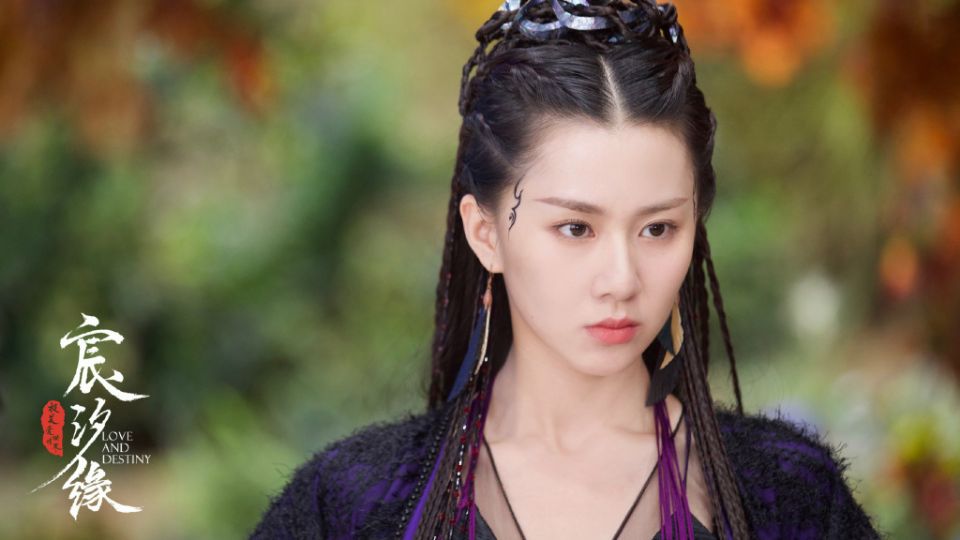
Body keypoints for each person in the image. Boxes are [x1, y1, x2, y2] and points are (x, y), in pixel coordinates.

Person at [251, 1, 885, 538]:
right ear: (486, 234)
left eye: (658, 228)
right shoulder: (350, 506)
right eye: (576, 228)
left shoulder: (788, 497)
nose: (622, 279)